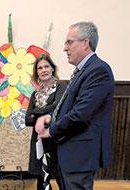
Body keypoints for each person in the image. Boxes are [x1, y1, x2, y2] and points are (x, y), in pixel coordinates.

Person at [35, 21, 115, 190]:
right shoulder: (83, 69)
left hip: (80, 154)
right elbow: (70, 105)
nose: (65, 48)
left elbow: (81, 114)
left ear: (85, 43)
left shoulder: (98, 70)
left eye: (69, 42)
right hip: (70, 152)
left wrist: (51, 131)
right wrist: (51, 117)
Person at [25, 54, 67, 190]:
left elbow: (58, 107)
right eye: (40, 68)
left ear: (52, 69)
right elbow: (27, 119)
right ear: (36, 73)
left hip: (56, 139)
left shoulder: (61, 86)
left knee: (62, 178)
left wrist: (36, 111)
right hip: (39, 142)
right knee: (42, 180)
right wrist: (43, 112)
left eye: (46, 66)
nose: (43, 70)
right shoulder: (35, 95)